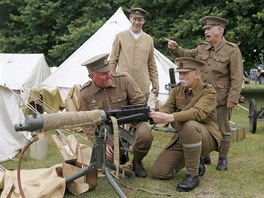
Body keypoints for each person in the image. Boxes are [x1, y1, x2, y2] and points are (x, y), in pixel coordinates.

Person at [166, 16, 243, 170]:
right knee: (200, 126)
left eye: (209, 29)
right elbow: (187, 56)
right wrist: (175, 48)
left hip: (221, 99)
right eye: (205, 30)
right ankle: (204, 156)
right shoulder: (201, 48)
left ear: (219, 31)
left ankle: (222, 159)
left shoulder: (232, 50)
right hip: (200, 98)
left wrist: (233, 98)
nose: (205, 32)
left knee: (223, 129)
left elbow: (237, 76)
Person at [149, 57, 222, 192]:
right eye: (180, 73)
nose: (181, 77)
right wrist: (154, 115)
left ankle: (192, 175)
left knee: (189, 125)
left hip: (207, 136)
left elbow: (198, 112)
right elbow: (167, 108)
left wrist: (170, 117)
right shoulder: (177, 90)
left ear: (197, 74)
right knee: (158, 172)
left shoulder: (208, 91)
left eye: (185, 73)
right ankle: (194, 157)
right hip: (183, 137)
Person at [78, 53, 153, 178]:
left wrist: (130, 119)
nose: (109, 75)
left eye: (109, 71)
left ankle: (137, 162)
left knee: (145, 136)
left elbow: (140, 104)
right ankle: (122, 155)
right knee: (107, 163)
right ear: (91, 76)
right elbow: (86, 123)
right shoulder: (85, 93)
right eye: (103, 74)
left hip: (131, 125)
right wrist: (100, 143)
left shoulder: (124, 79)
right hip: (107, 133)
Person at [109, 7, 159, 100]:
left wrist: (155, 83)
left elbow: (151, 63)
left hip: (142, 85)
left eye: (140, 20)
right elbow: (113, 60)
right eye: (134, 19)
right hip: (122, 83)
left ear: (144, 21)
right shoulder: (120, 36)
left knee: (141, 112)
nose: (137, 22)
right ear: (130, 19)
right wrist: (110, 79)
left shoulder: (149, 39)